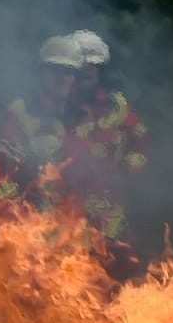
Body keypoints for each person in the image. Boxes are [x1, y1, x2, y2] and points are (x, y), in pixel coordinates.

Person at [59, 29, 151, 243]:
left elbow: (141, 140)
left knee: (118, 266)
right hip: (65, 212)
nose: (87, 77)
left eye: (93, 69)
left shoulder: (117, 105)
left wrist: (127, 170)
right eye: (81, 71)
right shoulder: (57, 106)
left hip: (109, 213)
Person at [0, 34, 83, 208]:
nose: (62, 78)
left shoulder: (81, 118)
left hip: (70, 217)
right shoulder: (20, 111)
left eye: (68, 72)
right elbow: (2, 170)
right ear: (41, 73)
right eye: (55, 70)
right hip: (27, 215)